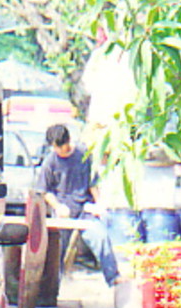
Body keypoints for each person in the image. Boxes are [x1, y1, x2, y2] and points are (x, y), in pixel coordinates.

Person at [36, 123, 121, 287]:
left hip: (85, 210)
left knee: (100, 237)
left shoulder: (83, 155)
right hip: (63, 212)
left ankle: (113, 277)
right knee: (57, 249)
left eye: (61, 147)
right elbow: (45, 191)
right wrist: (58, 207)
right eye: (55, 148)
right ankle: (52, 287)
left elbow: (93, 184)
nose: (59, 151)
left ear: (68, 141)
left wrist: (99, 205)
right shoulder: (50, 162)